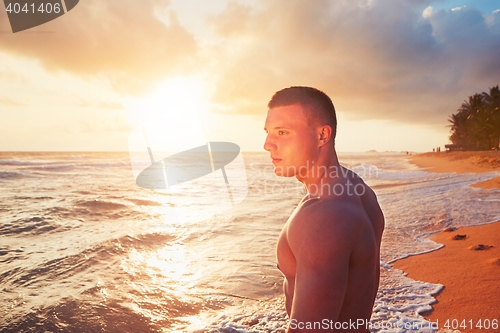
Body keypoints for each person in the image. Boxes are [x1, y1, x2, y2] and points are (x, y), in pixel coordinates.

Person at [263, 86, 384, 332]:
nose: (267, 144)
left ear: (322, 136)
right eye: (268, 132)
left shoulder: (323, 217)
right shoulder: (359, 190)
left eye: (282, 132)